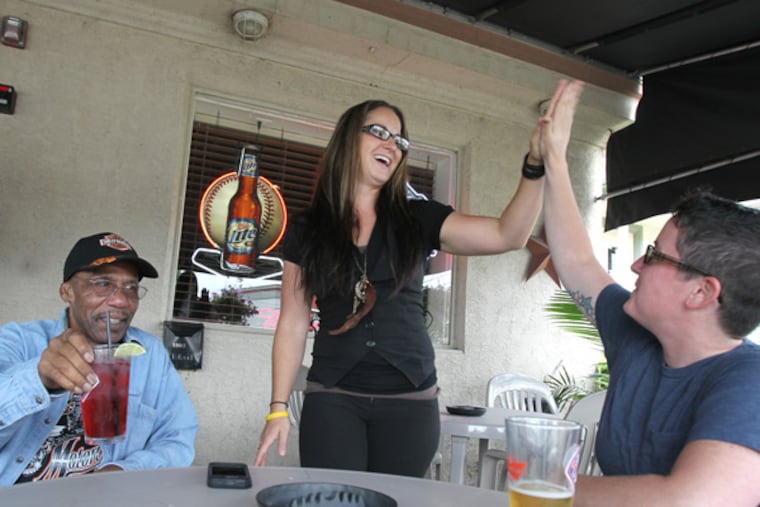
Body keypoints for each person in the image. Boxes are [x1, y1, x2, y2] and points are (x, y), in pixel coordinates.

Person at [254, 93, 556, 477]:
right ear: (348, 138)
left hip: (410, 403)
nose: (391, 145)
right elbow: (293, 322)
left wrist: (536, 166)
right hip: (333, 399)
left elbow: (507, 234)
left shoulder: (418, 218)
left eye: (399, 140)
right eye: (379, 132)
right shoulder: (307, 228)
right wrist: (278, 407)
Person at [539, 80, 760, 505]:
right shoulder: (636, 339)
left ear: (700, 292)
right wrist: (554, 156)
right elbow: (578, 262)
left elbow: (690, 501)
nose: (637, 265)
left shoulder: (747, 381)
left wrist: (549, 490)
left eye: (655, 256)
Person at [0, 232, 199, 486]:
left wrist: (122, 471)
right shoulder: (19, 340)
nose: (121, 300)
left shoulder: (149, 354)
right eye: (102, 283)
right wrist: (39, 378)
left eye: (132, 288)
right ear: (67, 291)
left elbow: (177, 438)